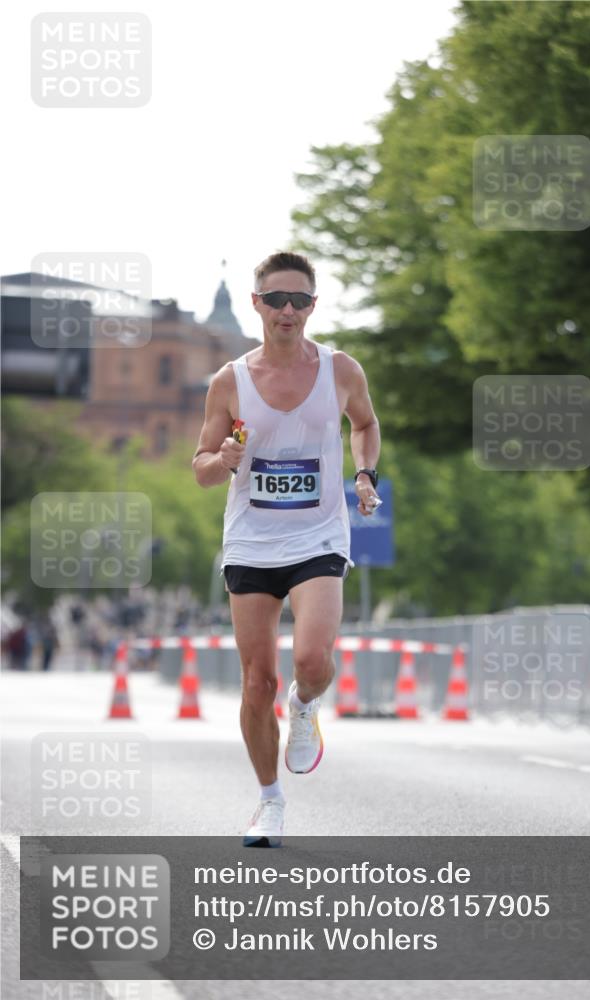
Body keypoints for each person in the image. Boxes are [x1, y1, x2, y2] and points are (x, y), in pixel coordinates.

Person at [192, 251, 381, 847]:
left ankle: (306, 706)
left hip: (318, 533)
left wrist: (365, 475)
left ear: (313, 306)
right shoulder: (230, 381)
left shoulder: (340, 369)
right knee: (256, 682)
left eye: (299, 300)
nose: (288, 310)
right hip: (251, 539)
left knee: (310, 660)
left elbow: (366, 424)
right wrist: (220, 460)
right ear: (257, 305)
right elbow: (199, 467)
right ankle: (269, 802)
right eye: (276, 299)